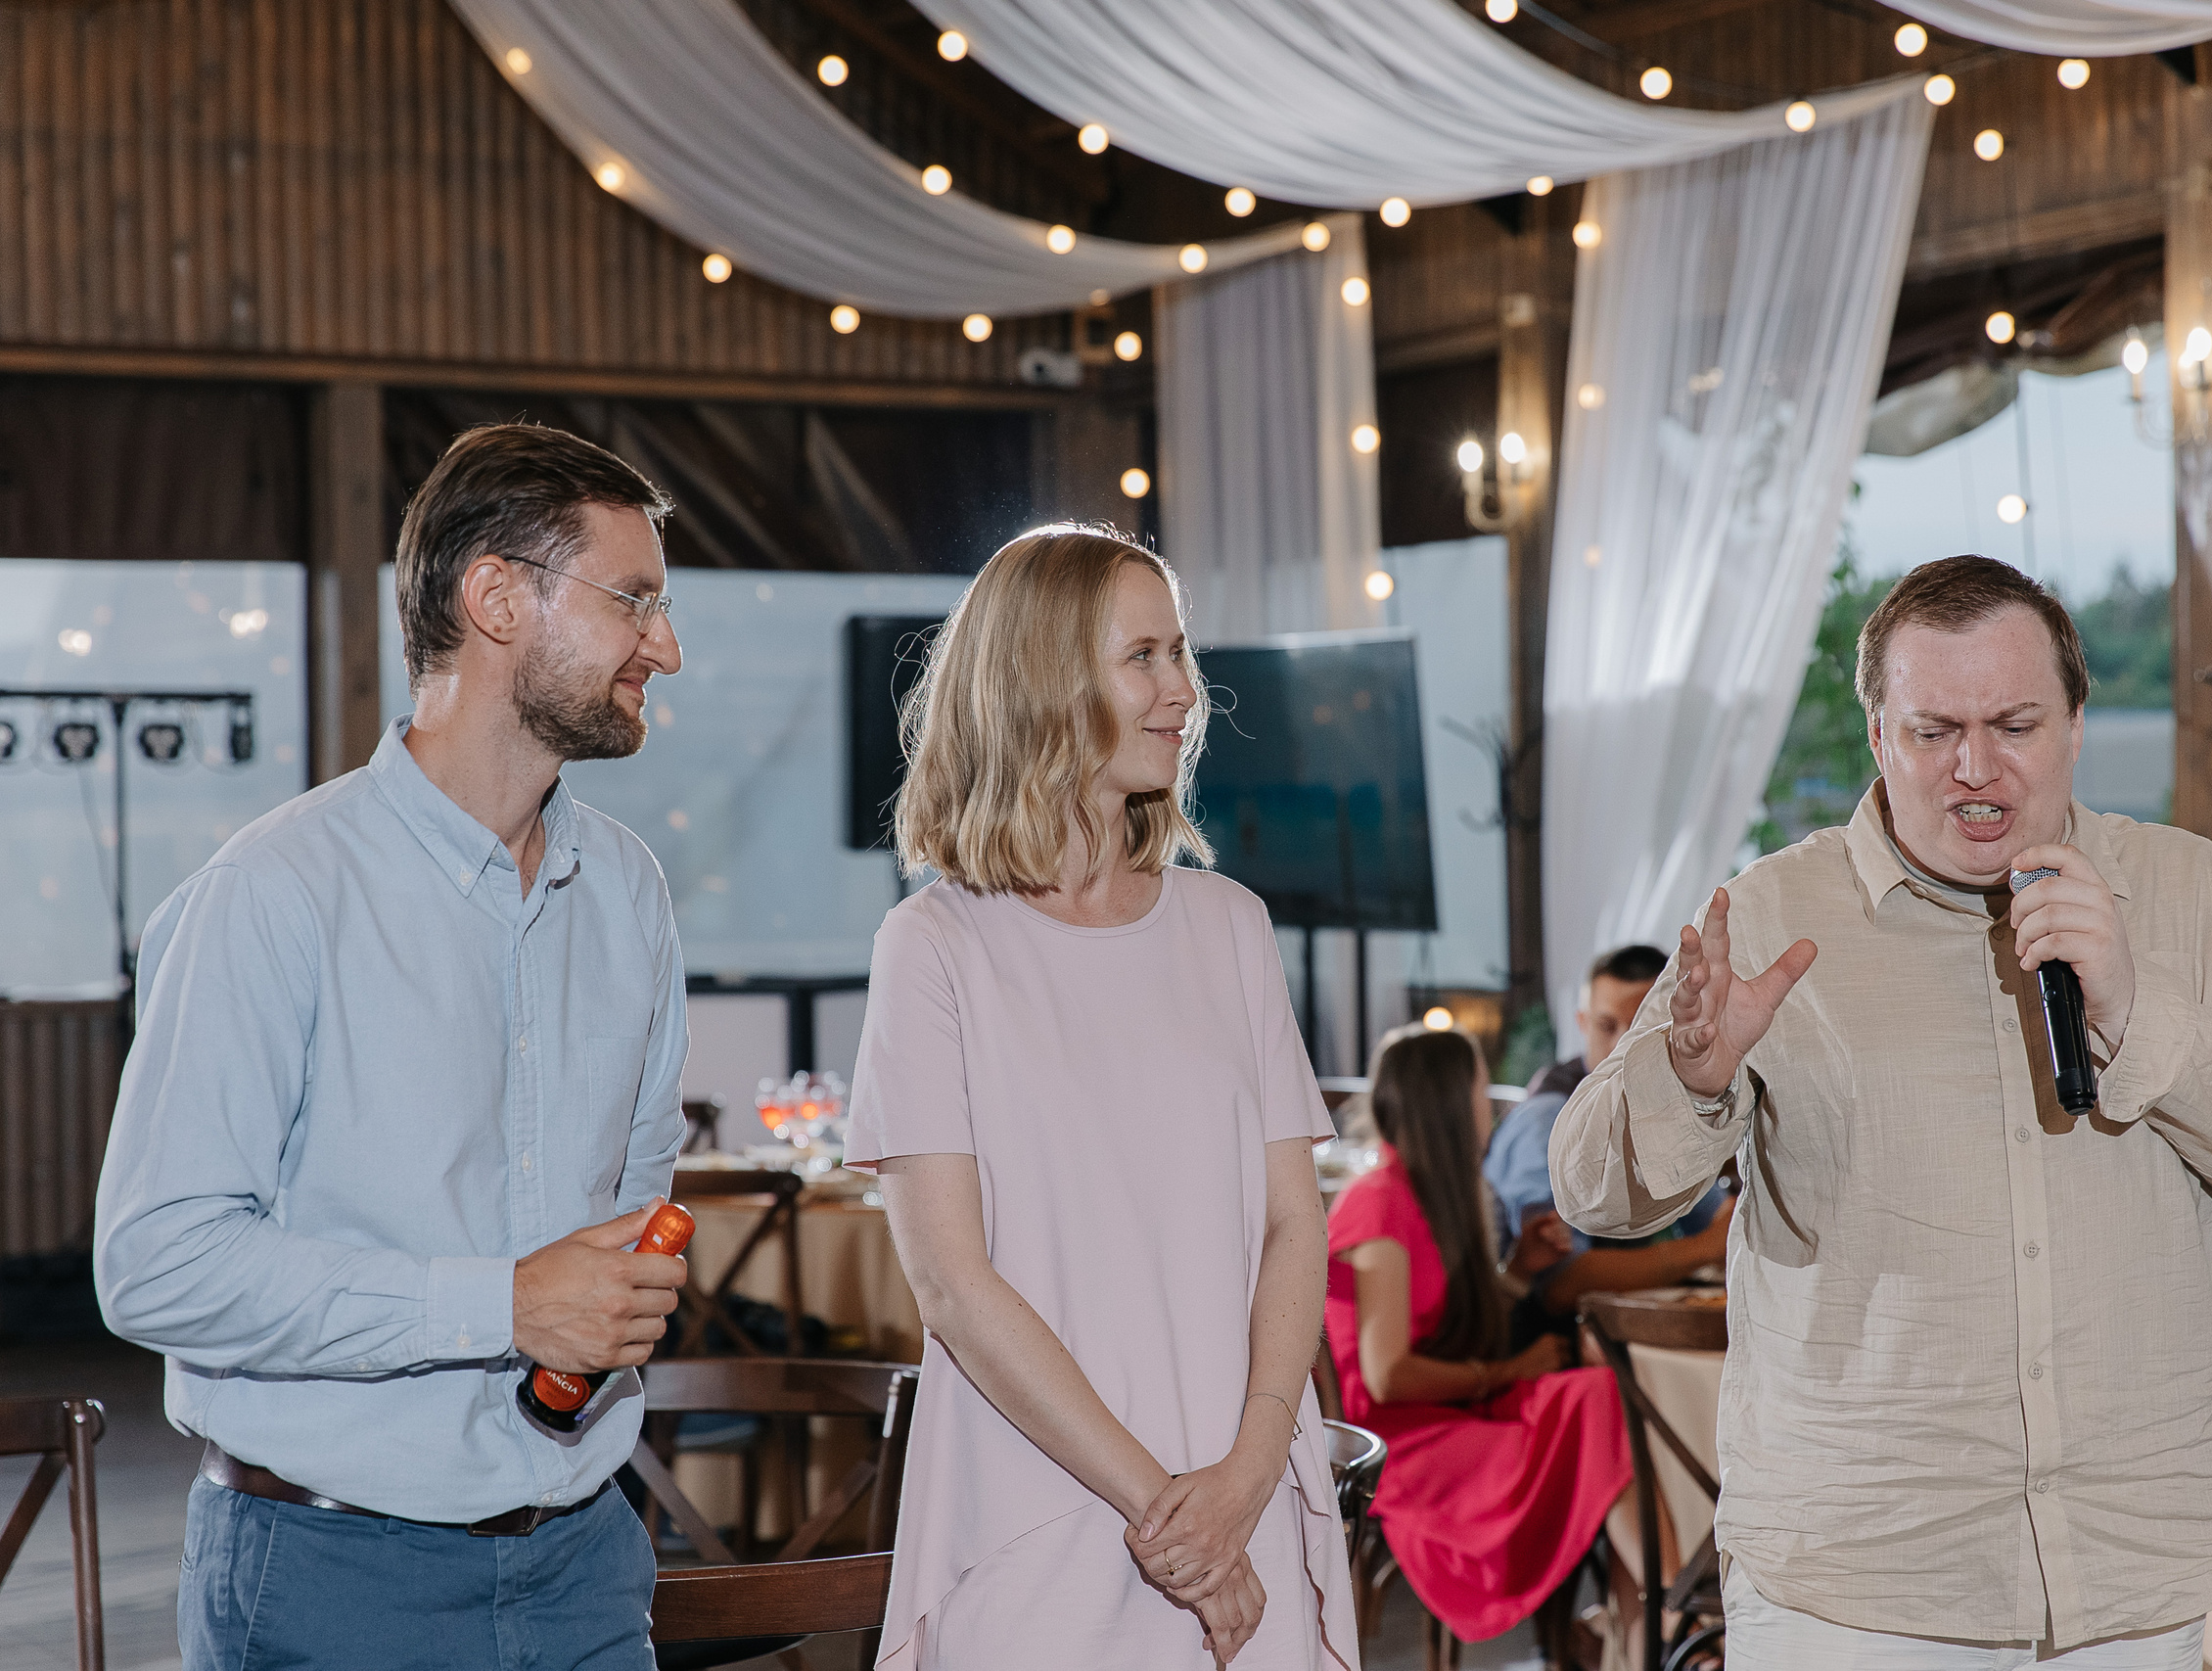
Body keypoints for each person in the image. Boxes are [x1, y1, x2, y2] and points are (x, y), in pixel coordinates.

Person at [1551, 555, 2212, 1668]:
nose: (1974, 769)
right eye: (1933, 730)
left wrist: (2134, 1006)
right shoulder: (1766, 914)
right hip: (1853, 1597)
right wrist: (1685, 1079)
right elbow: (1592, 1192)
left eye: (2015, 725)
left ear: (2076, 726)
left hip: (2124, 1590)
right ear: (1878, 735)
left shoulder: (2192, 898)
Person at [92, 423, 694, 1670]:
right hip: (328, 1577)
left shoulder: (630, 893)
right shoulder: (272, 893)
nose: (666, 647)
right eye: (633, 599)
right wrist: (506, 1304)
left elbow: (632, 1214)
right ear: (494, 599)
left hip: (588, 1566)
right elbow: (155, 1265)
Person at [844, 525, 1358, 1669]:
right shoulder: (932, 946)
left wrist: (1248, 1474)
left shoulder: (1231, 926)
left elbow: (1292, 1223)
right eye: (1146, 658)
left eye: (1181, 655)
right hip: (1041, 1507)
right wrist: (1169, 1514)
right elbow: (952, 1282)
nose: (1186, 693)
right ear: (1041, 680)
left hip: (1247, 1485)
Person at [1325, 1025, 1636, 1647]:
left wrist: (1518, 1271)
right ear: (1445, 1104)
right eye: (1476, 1090)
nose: (1489, 1107)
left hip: (1443, 1408)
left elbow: (1440, 1316)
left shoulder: (1432, 1193)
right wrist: (1507, 1372)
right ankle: (1651, 1611)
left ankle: (1633, 1621)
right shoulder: (1379, 1204)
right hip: (1398, 1440)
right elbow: (1386, 1375)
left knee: (1601, 1395)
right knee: (1598, 1404)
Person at [1483, 945, 1731, 1333]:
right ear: (1582, 1023)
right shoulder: (1547, 1121)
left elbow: (1714, 1215)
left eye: (1638, 1028)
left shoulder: (1657, 1102)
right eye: (1606, 1026)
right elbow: (1561, 1283)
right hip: (1545, 1350)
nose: (1621, 1045)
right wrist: (1704, 1248)